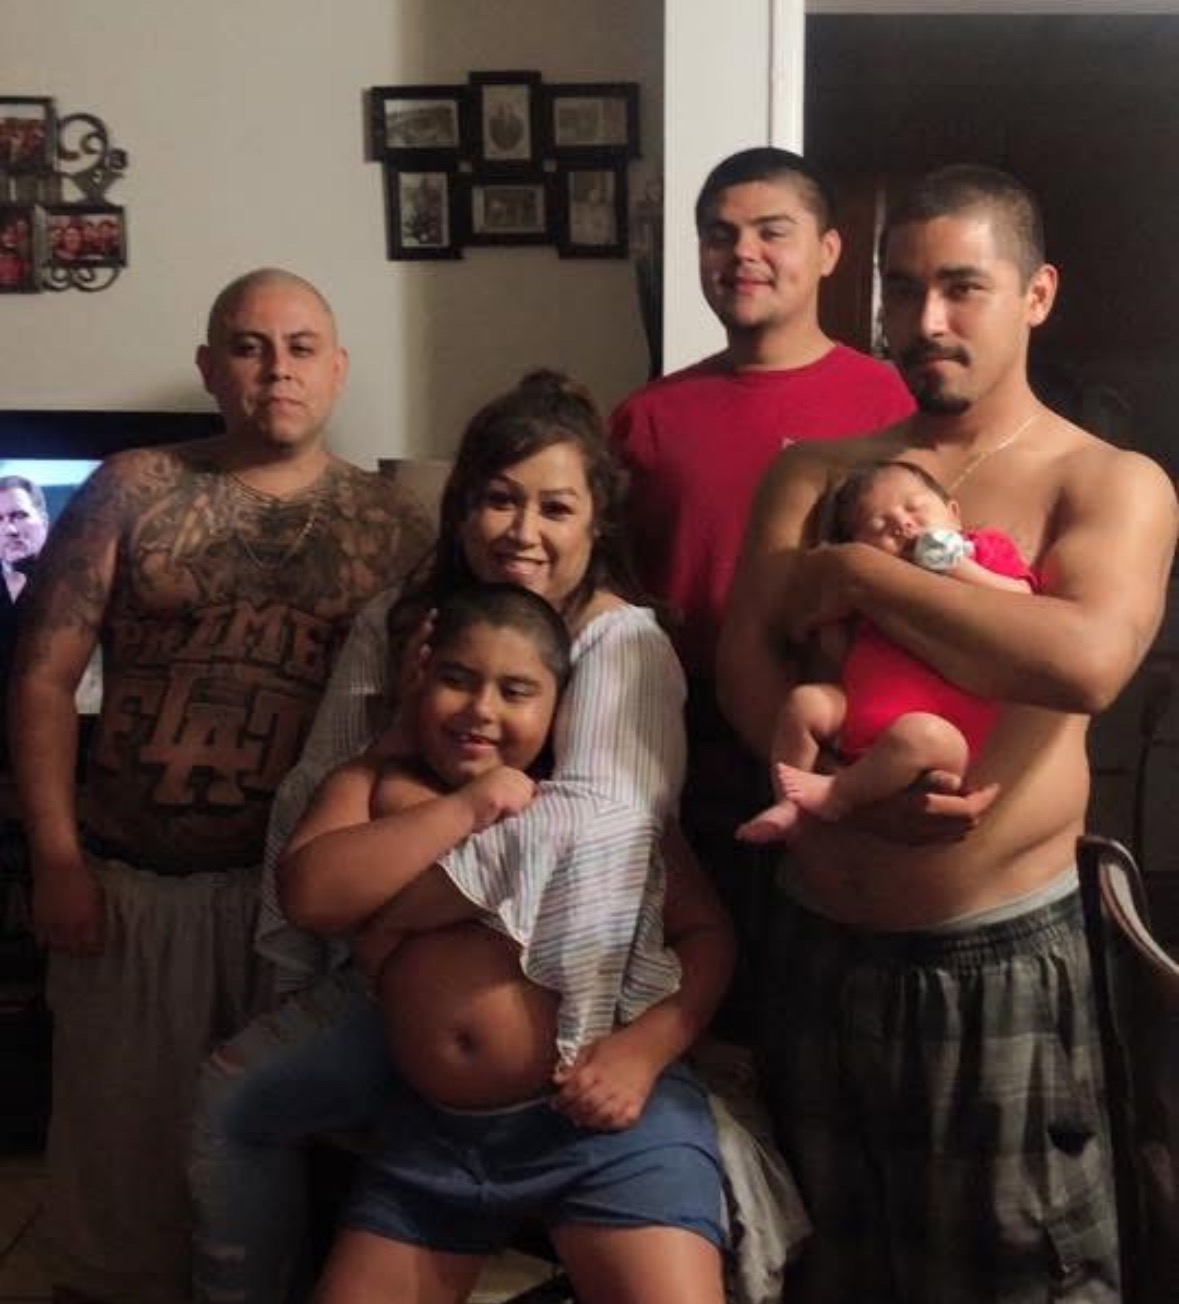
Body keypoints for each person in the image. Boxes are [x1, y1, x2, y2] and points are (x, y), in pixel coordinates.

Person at [189, 370, 805, 1304]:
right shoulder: (410, 642)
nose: (521, 530)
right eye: (498, 499)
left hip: (592, 1092)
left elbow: (598, 844)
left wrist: (390, 914)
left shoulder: (615, 656)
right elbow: (313, 876)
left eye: (554, 507)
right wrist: (410, 771)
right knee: (234, 1097)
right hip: (440, 1125)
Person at [717, 163, 1178, 1301]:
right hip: (818, 948)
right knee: (821, 1270)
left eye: (962, 286)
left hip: (999, 960)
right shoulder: (814, 472)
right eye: (903, 287)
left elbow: (1081, 661)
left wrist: (852, 574)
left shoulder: (1106, 482)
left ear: (1036, 293)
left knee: (1021, 1276)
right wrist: (855, 792)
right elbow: (746, 667)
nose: (925, 320)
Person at [8, 267, 433, 1304]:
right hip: (132, 888)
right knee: (120, 1166)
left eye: (300, 347)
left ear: (338, 369)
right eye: (249, 346)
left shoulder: (394, 525)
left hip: (296, 903)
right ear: (210, 367)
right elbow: (43, 678)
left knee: (285, 1163)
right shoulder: (131, 488)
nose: (276, 368)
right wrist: (55, 859)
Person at [608, 146, 916, 1032]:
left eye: (769, 232)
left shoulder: (892, 406)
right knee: (699, 991)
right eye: (719, 235)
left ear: (827, 250)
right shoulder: (647, 416)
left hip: (845, 738)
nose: (741, 253)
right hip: (685, 746)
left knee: (834, 994)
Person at [736, 459, 1035, 844]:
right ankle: (789, 807)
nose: (903, 524)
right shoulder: (870, 587)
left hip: (939, 734)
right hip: (859, 713)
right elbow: (837, 652)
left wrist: (956, 567)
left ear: (954, 514)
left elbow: (1023, 601)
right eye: (879, 526)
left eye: (915, 508)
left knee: (917, 734)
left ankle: (837, 793)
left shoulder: (983, 549)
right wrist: (828, 611)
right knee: (804, 703)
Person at [0, 475, 49, 765]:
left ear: (43, 520)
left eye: (19, 515)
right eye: (0, 520)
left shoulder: (73, 589)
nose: (10, 529)